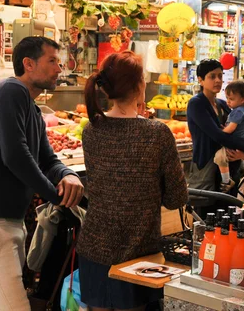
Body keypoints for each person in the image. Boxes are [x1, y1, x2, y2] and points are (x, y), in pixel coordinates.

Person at [0, 36, 84, 311]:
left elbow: (48, 159)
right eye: (52, 61)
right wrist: (56, 196)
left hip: (4, 225)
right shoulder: (10, 91)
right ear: (28, 64)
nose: (59, 68)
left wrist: (68, 175)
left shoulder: (32, 110)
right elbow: (15, 156)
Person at [77, 50, 188, 311]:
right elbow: (176, 199)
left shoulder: (92, 130)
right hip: (140, 254)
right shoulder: (157, 133)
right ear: (140, 87)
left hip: (94, 249)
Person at [186, 59, 244, 213]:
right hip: (207, 173)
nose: (217, 80)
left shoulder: (223, 104)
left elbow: (240, 128)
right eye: (212, 76)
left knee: (228, 221)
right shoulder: (197, 104)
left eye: (220, 76)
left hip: (228, 175)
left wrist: (243, 153)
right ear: (200, 80)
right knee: (208, 223)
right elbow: (218, 135)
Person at [214, 80, 244, 186]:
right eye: (227, 98)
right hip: (242, 141)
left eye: (231, 99)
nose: (228, 101)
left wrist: (220, 132)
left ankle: (226, 181)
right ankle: (243, 168)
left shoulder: (237, 111)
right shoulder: (239, 110)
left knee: (220, 157)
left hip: (239, 141)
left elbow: (230, 129)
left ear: (242, 100)